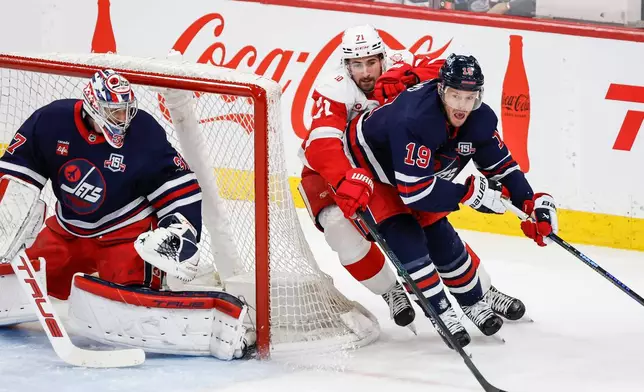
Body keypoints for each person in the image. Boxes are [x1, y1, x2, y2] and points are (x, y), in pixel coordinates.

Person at [0, 69, 253, 360]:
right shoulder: (50, 121)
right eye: (114, 112)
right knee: (20, 275)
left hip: (126, 235)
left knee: (128, 298)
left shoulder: (143, 132)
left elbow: (179, 185)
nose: (122, 120)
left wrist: (179, 232)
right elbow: (16, 171)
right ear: (92, 106)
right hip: (67, 231)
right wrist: (8, 214)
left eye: (125, 110)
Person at [299, 25, 526, 344]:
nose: (366, 73)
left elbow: (452, 72)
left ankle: (484, 292)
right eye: (357, 65)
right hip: (337, 170)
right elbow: (321, 144)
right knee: (339, 227)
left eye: (371, 62)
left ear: (383, 57)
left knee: (431, 221)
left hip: (392, 163)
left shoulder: (400, 62)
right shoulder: (333, 88)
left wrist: (414, 74)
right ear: (346, 65)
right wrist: (341, 177)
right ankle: (392, 292)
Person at [334, 53, 557, 347]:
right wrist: (466, 193)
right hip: (368, 169)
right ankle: (441, 310)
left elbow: (503, 167)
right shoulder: (416, 118)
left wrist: (531, 203)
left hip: (411, 173)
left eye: (470, 97)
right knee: (405, 236)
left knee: (439, 235)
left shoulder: (480, 119)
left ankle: (472, 300)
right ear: (441, 90)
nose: (462, 106)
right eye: (455, 96)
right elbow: (413, 192)